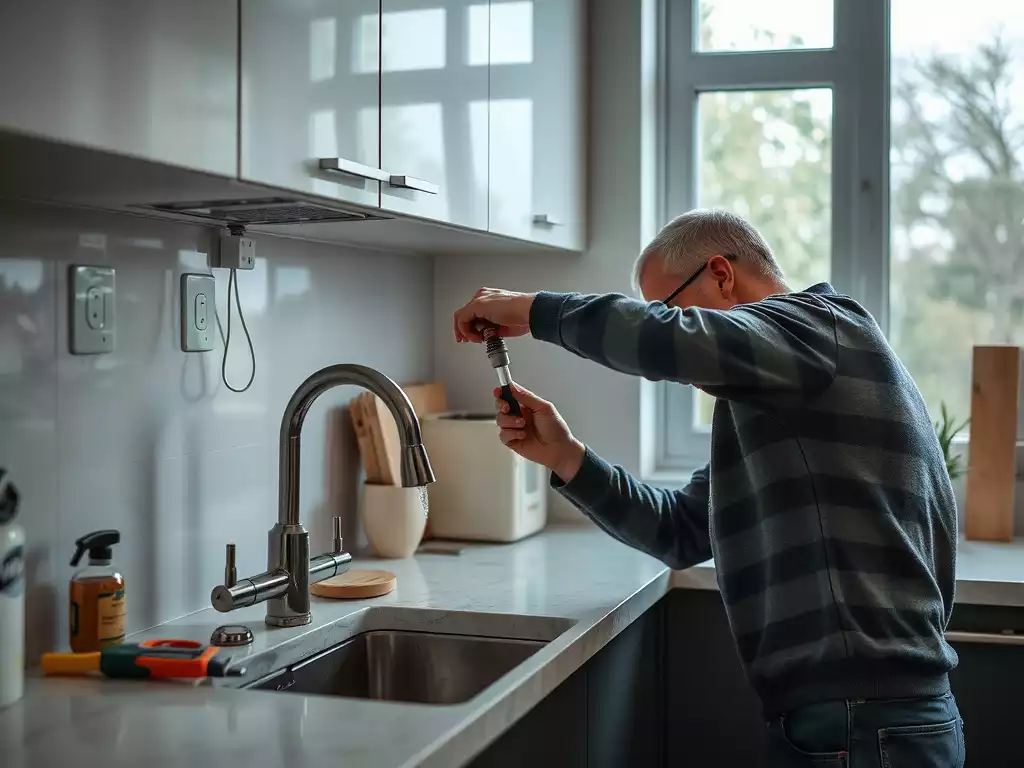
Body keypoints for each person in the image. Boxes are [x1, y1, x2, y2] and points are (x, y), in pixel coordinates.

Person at [452, 208, 964, 767]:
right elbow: (682, 532)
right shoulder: (774, 400)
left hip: (866, 721)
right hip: (853, 721)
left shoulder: (820, 328)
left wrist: (532, 310)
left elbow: (663, 342)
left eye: (667, 308)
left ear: (721, 273)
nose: (668, 326)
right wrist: (565, 456)